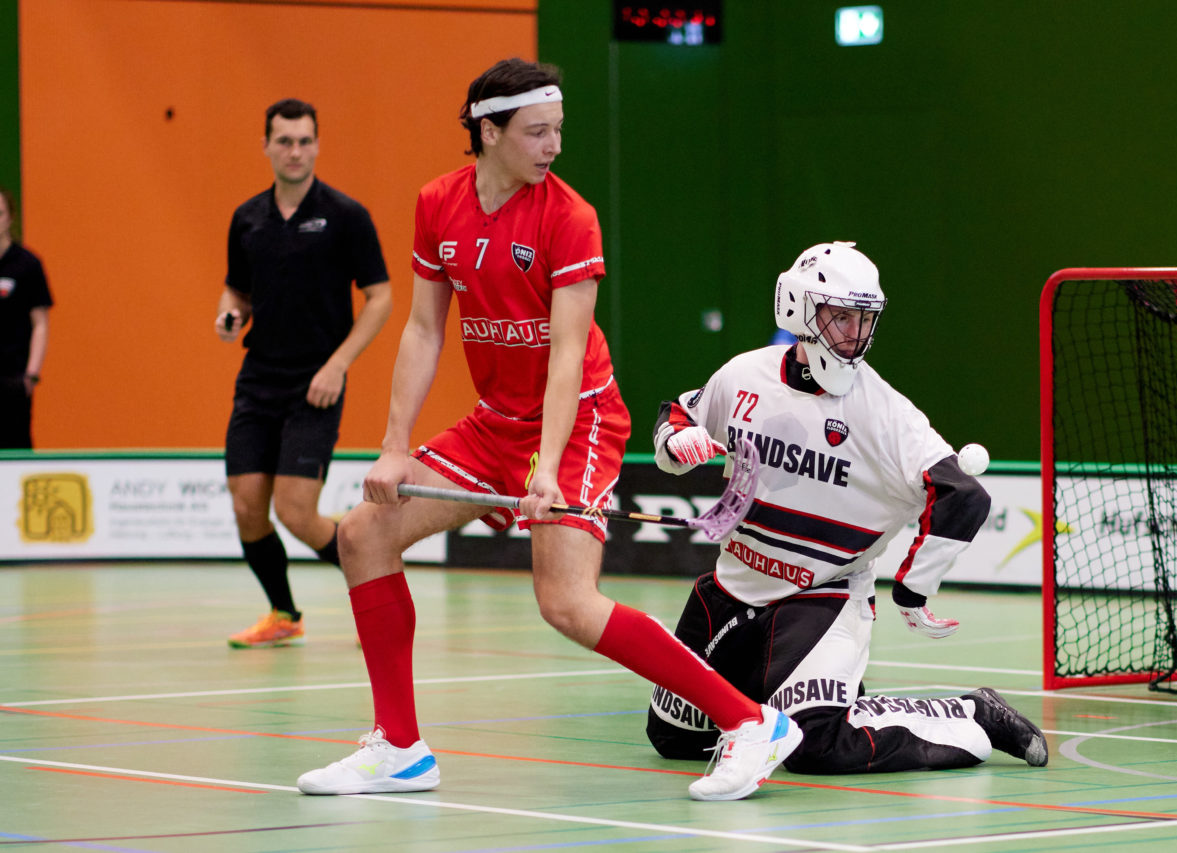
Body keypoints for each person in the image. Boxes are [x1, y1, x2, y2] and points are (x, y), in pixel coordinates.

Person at [297, 58, 801, 802]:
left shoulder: (569, 217)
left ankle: (751, 723)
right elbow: (423, 330)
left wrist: (547, 467)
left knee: (565, 601)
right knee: (363, 533)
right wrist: (395, 446)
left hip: (580, 418)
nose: (553, 145)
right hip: (494, 422)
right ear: (487, 131)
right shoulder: (438, 203)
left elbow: (569, 351)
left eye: (558, 129)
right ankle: (400, 747)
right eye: (536, 132)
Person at [645, 241, 1050, 774]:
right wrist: (676, 446)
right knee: (673, 739)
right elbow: (677, 413)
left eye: (864, 320)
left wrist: (912, 587)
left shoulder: (886, 413)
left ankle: (968, 713)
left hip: (822, 598)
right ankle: (811, 697)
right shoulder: (744, 374)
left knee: (815, 747)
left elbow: (964, 495)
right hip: (731, 590)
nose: (855, 336)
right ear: (797, 309)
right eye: (840, 318)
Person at [216, 99, 392, 649]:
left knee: (295, 512)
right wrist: (229, 316)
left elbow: (381, 298)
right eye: (284, 141)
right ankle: (284, 613)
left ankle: (380, 596)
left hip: (315, 384)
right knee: (247, 504)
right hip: (257, 379)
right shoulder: (247, 218)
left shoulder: (345, 216)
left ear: (317, 144)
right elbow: (238, 290)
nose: (295, 151)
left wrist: (337, 365)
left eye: (305, 140)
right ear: (266, 145)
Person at [0, 187, 53, 450]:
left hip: (13, 377)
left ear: (10, 217)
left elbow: (40, 324)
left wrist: (31, 374)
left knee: (15, 448)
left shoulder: (27, 265)